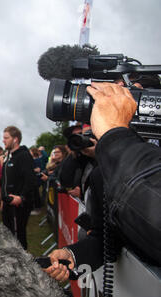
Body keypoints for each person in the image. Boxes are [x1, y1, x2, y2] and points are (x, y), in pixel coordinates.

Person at [44, 82, 161, 282]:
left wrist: (115, 135)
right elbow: (107, 239)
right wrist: (74, 255)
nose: (116, 101)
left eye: (128, 94)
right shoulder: (103, 174)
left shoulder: (119, 158)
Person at [1, 126, 37, 250]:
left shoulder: (23, 156)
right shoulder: (9, 156)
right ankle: (13, 261)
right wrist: (2, 199)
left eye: (6, 138)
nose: (3, 140)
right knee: (9, 235)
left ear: (15, 139)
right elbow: (5, 180)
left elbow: (30, 179)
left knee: (18, 236)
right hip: (8, 203)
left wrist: (22, 197)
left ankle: (21, 264)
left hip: (18, 204)